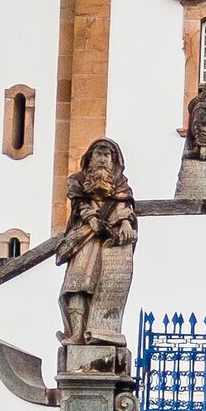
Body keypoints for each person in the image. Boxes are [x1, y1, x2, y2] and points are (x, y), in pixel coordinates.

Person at [57, 137, 138, 360]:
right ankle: (76, 334)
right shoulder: (78, 181)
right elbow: (79, 203)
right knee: (76, 285)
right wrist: (91, 218)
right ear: (90, 158)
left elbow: (124, 207)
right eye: (99, 155)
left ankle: (101, 330)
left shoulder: (121, 186)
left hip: (108, 246)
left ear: (114, 162)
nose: (102, 160)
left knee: (102, 287)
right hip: (85, 241)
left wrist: (124, 222)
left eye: (107, 156)